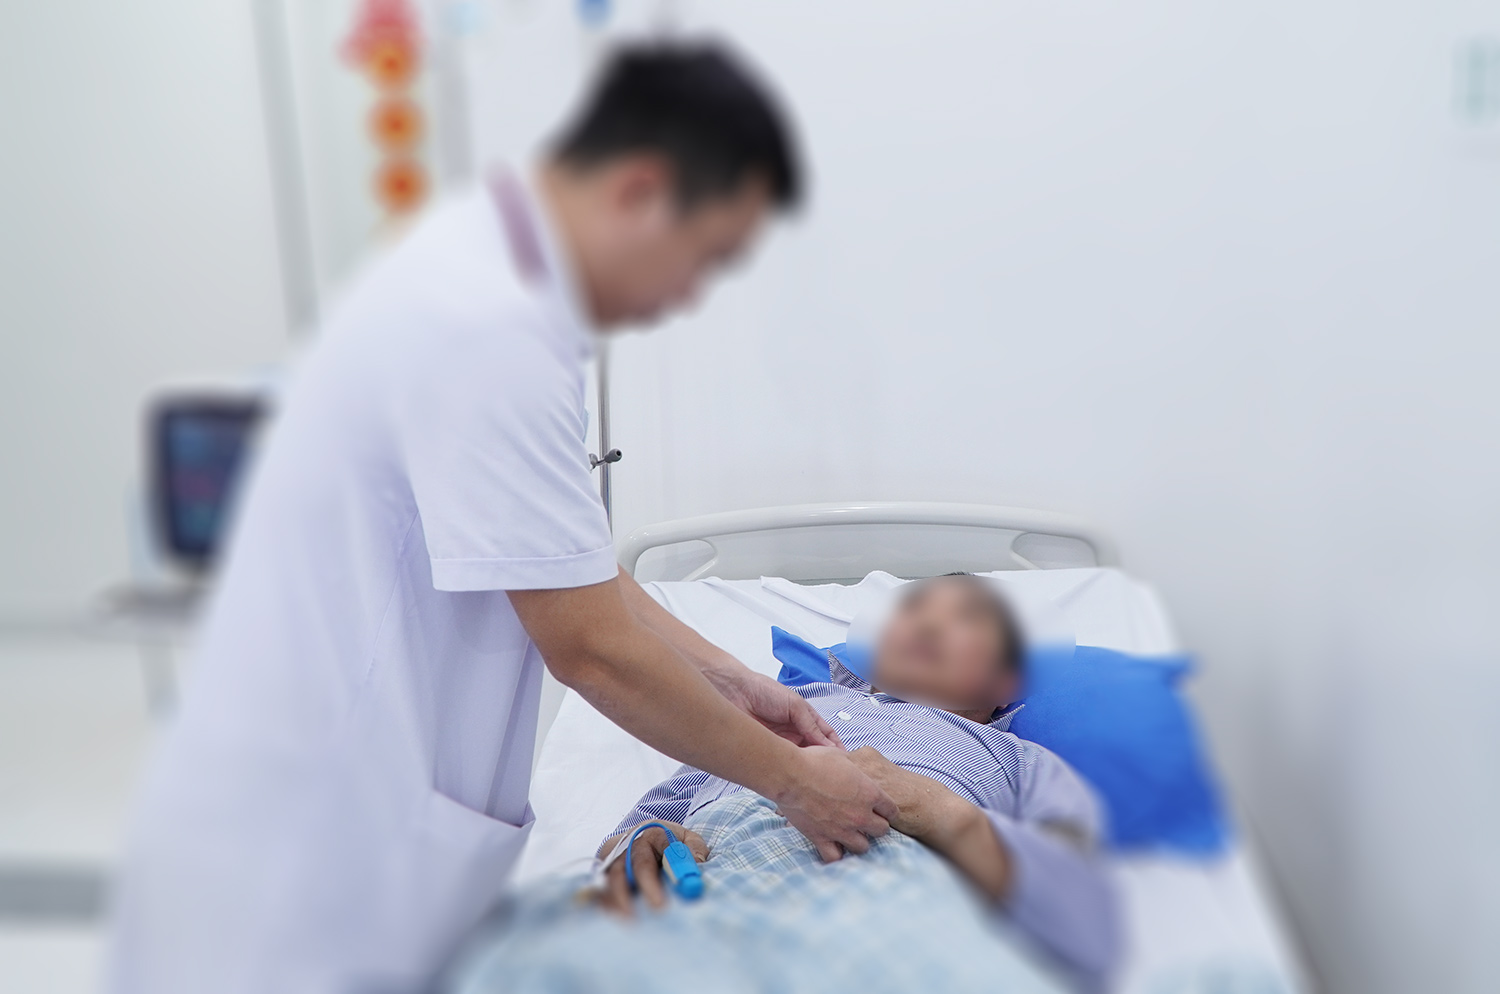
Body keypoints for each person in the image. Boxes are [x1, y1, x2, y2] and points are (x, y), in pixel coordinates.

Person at [105, 41, 895, 994]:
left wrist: (733, 680)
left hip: (342, 825)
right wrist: (792, 781)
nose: (689, 294)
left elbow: (567, 567)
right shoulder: (494, 327)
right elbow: (591, 646)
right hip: (310, 858)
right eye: (707, 258)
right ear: (643, 191)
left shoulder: (489, 284)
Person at [595, 575, 1122, 989]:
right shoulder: (771, 711)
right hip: (711, 871)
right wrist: (645, 842)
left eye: (967, 618)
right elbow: (628, 839)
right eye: (913, 610)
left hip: (890, 884)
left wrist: (935, 808)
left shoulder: (1018, 759)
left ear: (1006, 680)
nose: (927, 626)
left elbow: (1082, 908)